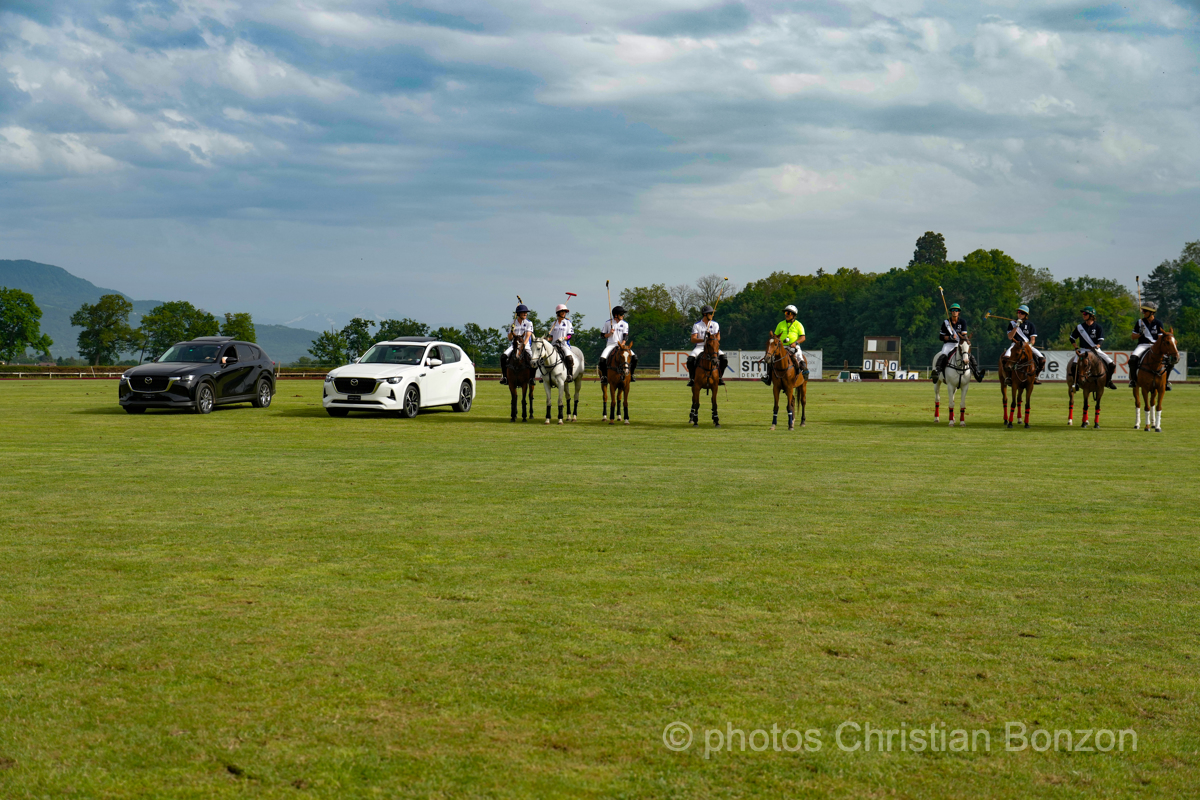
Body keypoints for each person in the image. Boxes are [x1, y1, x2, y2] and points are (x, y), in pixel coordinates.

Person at [932, 304, 986, 383]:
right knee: (943, 355)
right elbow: (941, 337)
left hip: (959, 343)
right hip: (949, 344)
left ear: (959, 312)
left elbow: (964, 334)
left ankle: (976, 373)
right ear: (950, 312)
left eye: (956, 310)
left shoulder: (962, 322)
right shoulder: (946, 323)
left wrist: (967, 340)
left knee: (968, 355)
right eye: (953, 310)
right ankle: (937, 372)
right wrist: (950, 337)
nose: (954, 312)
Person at [1069, 306, 1117, 390]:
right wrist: (1076, 348)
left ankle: (1109, 381)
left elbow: (1100, 341)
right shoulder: (1079, 327)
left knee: (1112, 364)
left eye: (1085, 313)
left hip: (1095, 350)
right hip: (1083, 350)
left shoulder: (1098, 327)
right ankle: (1076, 383)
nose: (1083, 315)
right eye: (1083, 313)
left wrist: (1096, 347)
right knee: (1074, 365)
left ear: (1091, 315)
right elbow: (1072, 338)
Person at [762, 304, 807, 385]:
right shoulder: (780, 324)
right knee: (771, 360)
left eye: (789, 313)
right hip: (781, 347)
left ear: (793, 315)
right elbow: (775, 336)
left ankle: (803, 374)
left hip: (794, 346)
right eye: (786, 313)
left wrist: (795, 343)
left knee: (800, 358)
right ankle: (768, 377)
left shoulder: (798, 325)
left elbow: (803, 337)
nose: (786, 314)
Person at [1128, 302, 1170, 390]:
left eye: (1145, 310)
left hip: (1155, 345)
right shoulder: (1140, 322)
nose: (1143, 312)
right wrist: (1140, 333)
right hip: (1143, 345)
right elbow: (1133, 337)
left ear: (1151, 312)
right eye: (1143, 310)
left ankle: (1166, 381)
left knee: (1168, 361)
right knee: (1132, 359)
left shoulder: (1158, 323)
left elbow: (1160, 338)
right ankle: (1133, 380)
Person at [687, 305, 729, 387]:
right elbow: (693, 339)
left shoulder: (715, 324)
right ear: (705, 314)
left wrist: (710, 339)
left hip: (712, 347)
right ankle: (692, 378)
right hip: (700, 347)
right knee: (690, 360)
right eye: (710, 313)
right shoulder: (697, 325)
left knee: (724, 358)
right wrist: (704, 339)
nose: (712, 315)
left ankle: (720, 378)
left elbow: (718, 337)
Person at [1003, 304, 1045, 385]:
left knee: (1042, 359)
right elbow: (1010, 337)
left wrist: (1029, 346)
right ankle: (1009, 377)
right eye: (1018, 312)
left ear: (1025, 315)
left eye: (1022, 313)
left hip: (1027, 346)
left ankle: (1036, 376)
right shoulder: (1012, 323)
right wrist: (1016, 326)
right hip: (1015, 345)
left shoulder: (1031, 325)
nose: (1019, 314)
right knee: (1005, 358)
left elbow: (1033, 340)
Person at [597, 306, 637, 384]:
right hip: (610, 345)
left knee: (635, 358)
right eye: (621, 314)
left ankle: (631, 374)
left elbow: (626, 336)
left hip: (622, 345)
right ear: (616, 315)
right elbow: (602, 335)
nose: (623, 315)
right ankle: (604, 377)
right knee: (602, 359)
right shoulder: (608, 323)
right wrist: (609, 333)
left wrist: (621, 345)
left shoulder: (625, 324)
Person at [498, 303, 534, 386]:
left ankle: (531, 378)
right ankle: (505, 377)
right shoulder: (512, 323)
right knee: (503, 357)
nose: (525, 314)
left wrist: (523, 346)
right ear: (518, 314)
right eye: (523, 312)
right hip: (514, 346)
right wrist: (511, 331)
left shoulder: (529, 323)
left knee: (533, 360)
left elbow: (528, 336)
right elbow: (510, 338)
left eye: (526, 312)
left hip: (526, 345)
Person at [548, 303, 575, 379]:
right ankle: (544, 375)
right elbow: (552, 337)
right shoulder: (553, 323)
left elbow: (570, 335)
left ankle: (569, 374)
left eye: (565, 312)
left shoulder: (568, 323)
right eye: (562, 311)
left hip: (564, 345)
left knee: (568, 357)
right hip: (554, 345)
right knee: (545, 356)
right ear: (558, 313)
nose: (564, 313)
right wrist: (546, 339)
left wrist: (563, 338)